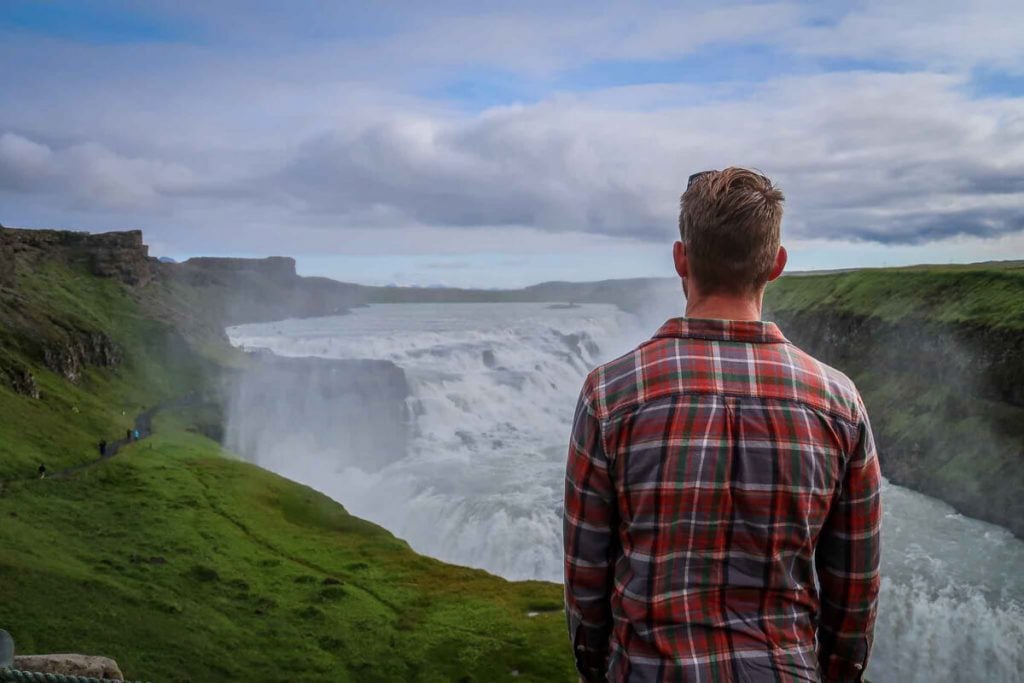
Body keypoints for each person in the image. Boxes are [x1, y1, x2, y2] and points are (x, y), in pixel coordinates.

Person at [563, 168, 881, 682]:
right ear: (777, 264)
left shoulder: (610, 394)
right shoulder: (839, 401)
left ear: (680, 258)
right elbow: (855, 587)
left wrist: (599, 668)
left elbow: (585, 578)